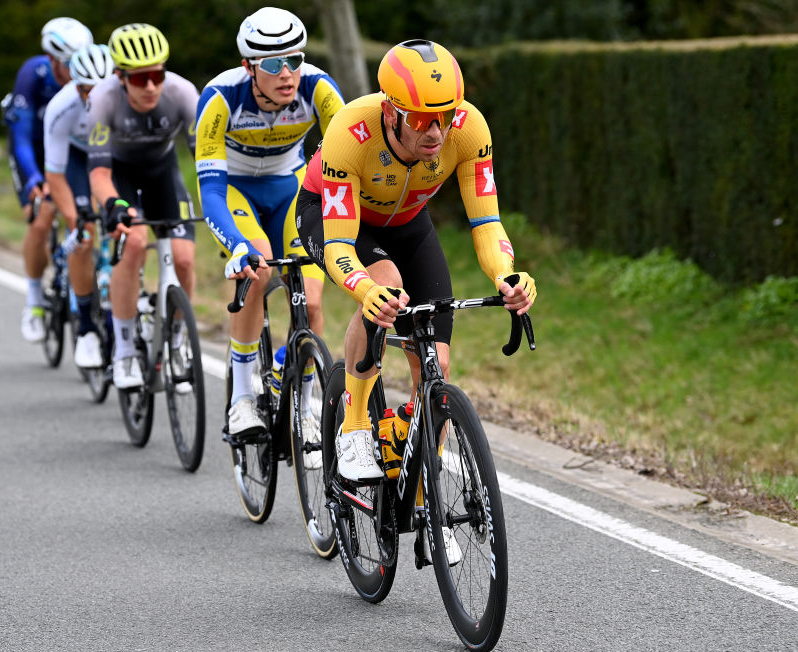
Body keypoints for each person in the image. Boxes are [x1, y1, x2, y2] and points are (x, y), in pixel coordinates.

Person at [296, 39, 537, 482]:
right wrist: (365, 289)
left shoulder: (470, 129)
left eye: (444, 117)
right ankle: (352, 427)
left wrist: (506, 274)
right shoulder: (350, 133)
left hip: (407, 221)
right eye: (422, 120)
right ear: (391, 112)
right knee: (385, 285)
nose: (436, 133)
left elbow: (486, 221)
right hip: (335, 219)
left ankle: (427, 501)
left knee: (436, 364)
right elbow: (340, 247)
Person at [195, 6, 345, 436]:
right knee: (257, 268)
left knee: (311, 301)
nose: (287, 73)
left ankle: (304, 402)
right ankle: (242, 398)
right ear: (249, 67)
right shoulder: (220, 97)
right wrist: (237, 244)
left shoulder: (318, 88)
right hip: (236, 189)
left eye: (294, 60)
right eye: (273, 64)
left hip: (291, 187)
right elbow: (211, 192)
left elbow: (348, 156)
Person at [86, 23, 200, 389]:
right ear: (120, 77)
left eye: (156, 74)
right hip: (118, 176)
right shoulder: (102, 100)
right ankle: (122, 352)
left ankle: (179, 340)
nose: (151, 85)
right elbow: (99, 173)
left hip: (162, 173)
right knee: (133, 244)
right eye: (139, 78)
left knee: (183, 258)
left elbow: (206, 160)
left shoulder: (183, 93)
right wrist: (115, 206)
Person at [3, 17, 93, 343]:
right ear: (53, 60)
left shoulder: (90, 76)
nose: (76, 69)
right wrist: (33, 181)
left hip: (70, 151)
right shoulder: (34, 74)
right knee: (41, 218)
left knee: (84, 213)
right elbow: (21, 135)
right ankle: (34, 302)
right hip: (35, 152)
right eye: (69, 63)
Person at [42, 43, 115, 368]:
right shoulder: (62, 107)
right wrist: (75, 218)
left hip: (112, 157)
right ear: (75, 85)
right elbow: (55, 176)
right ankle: (85, 327)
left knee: (123, 226)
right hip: (76, 159)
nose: (95, 98)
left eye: (102, 89)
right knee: (84, 236)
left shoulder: (126, 100)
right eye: (87, 90)